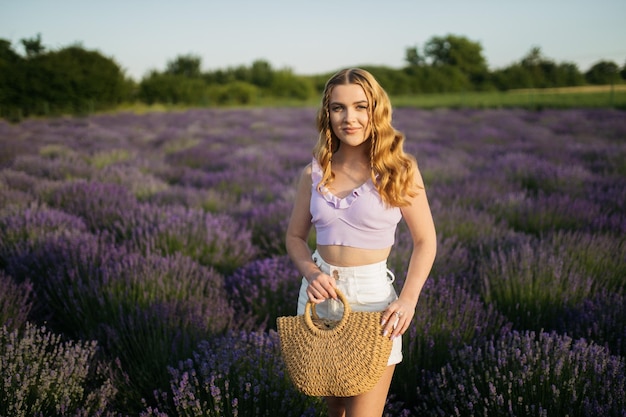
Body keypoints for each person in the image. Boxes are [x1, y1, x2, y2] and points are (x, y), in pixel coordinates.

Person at [285, 68, 437, 417]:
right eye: (338, 108)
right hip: (320, 298)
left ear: (376, 111)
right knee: (334, 411)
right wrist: (310, 271)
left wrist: (409, 300)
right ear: (327, 113)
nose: (349, 118)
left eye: (360, 107)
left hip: (374, 302)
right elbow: (295, 237)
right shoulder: (314, 172)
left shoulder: (399, 169)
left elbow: (425, 240)